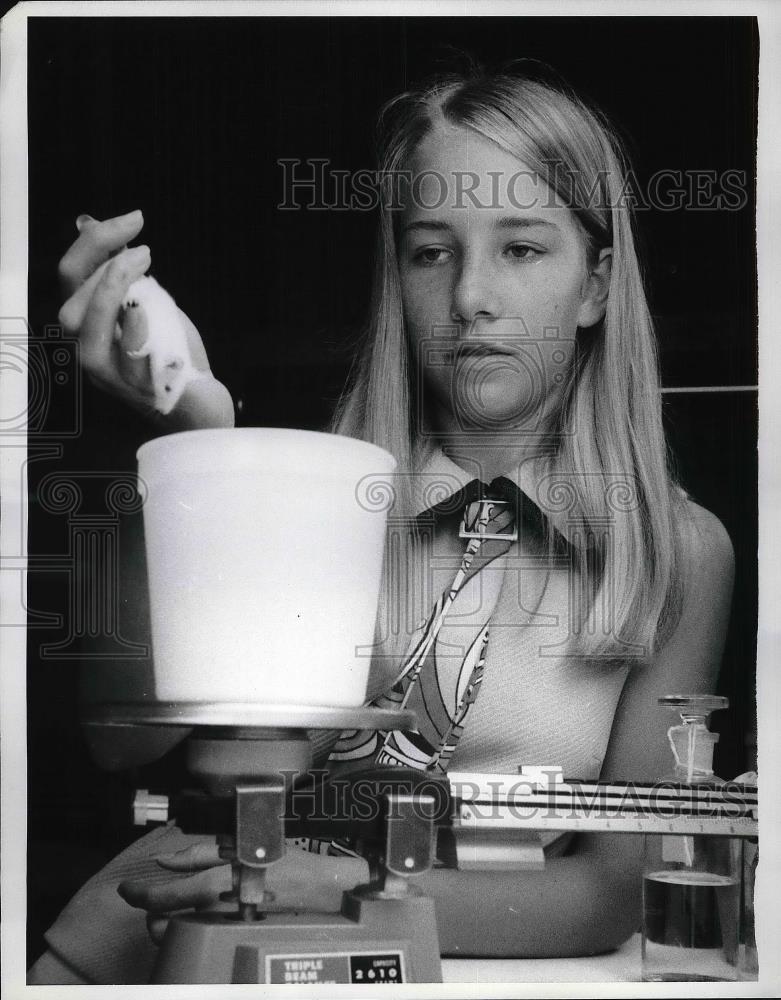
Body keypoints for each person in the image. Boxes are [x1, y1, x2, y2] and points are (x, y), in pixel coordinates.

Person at [28, 67, 735, 985]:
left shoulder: (674, 554)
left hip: (477, 966)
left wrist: (339, 886)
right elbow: (122, 744)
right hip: (172, 945)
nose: (471, 296)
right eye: (430, 251)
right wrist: (181, 454)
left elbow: (608, 893)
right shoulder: (299, 490)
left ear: (595, 283)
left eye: (521, 249)